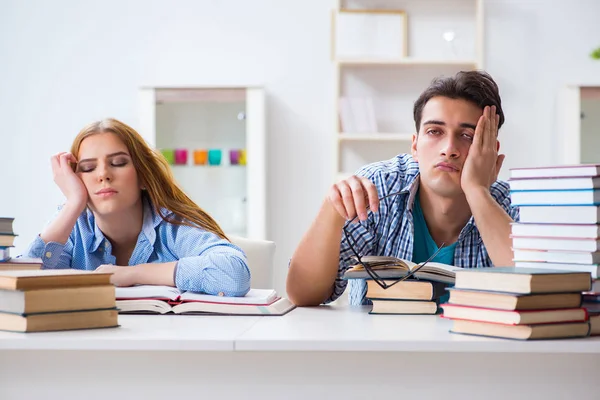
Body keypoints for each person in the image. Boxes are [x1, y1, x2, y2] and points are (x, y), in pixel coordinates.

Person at [287, 70, 519, 306]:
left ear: (490, 150)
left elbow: (538, 291)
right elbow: (303, 295)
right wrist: (331, 209)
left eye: (467, 135)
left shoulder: (513, 204)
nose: (449, 149)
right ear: (415, 146)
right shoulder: (378, 186)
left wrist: (477, 190)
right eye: (434, 131)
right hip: (383, 342)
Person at [25, 118, 250, 297]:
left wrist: (131, 274)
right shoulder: (72, 225)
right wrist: (73, 203)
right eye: (88, 168)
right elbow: (19, 285)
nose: (103, 174)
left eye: (118, 163)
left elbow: (234, 275)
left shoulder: (171, 225)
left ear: (142, 176)